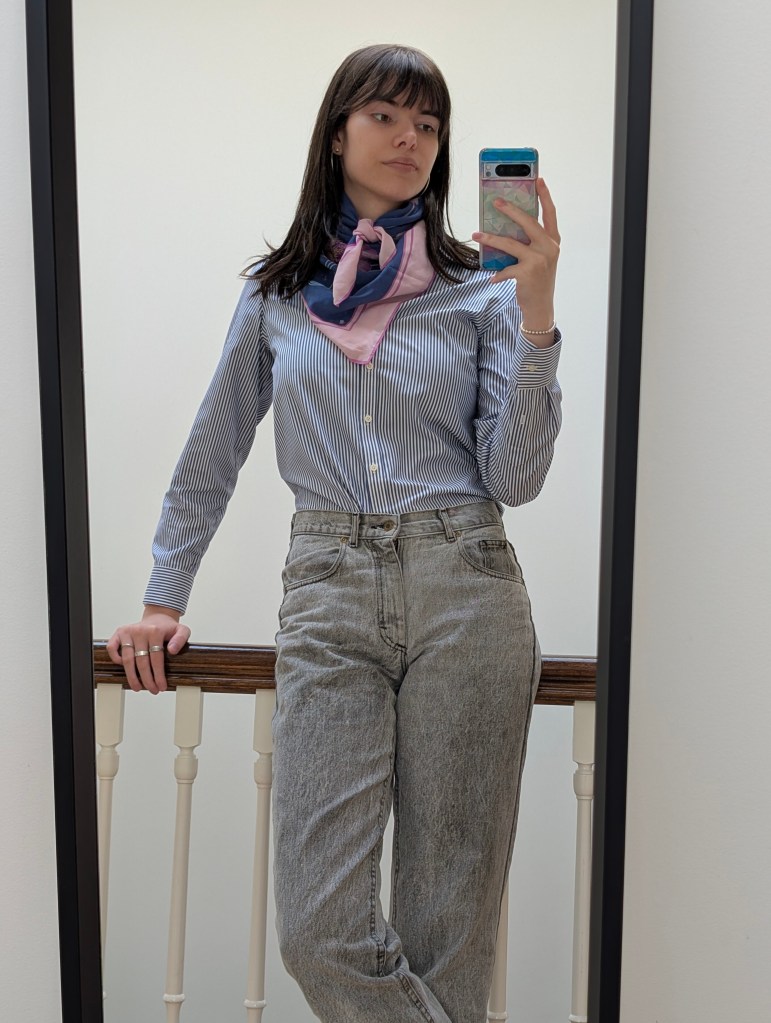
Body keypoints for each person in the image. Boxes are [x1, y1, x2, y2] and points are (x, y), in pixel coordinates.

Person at [107, 42, 561, 1023]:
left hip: (468, 579)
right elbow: (214, 447)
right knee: (318, 928)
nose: (410, 139)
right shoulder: (275, 294)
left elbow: (515, 479)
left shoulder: (478, 288)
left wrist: (536, 316)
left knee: (449, 931)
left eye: (429, 124)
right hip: (328, 585)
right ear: (337, 134)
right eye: (386, 116)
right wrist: (162, 598)